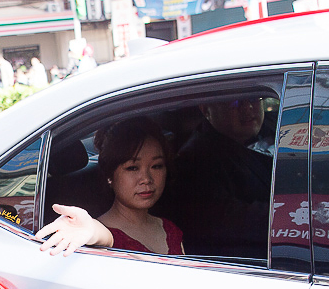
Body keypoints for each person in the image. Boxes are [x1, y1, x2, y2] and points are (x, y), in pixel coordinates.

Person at [38, 118, 183, 256]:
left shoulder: (169, 229)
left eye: (156, 166)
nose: (146, 179)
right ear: (109, 175)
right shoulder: (102, 234)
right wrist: (90, 229)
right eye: (132, 168)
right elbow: (101, 235)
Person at [158, 95, 275, 259]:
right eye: (234, 102)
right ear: (206, 109)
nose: (247, 107)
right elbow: (234, 220)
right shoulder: (195, 162)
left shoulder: (276, 126)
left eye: (254, 98)